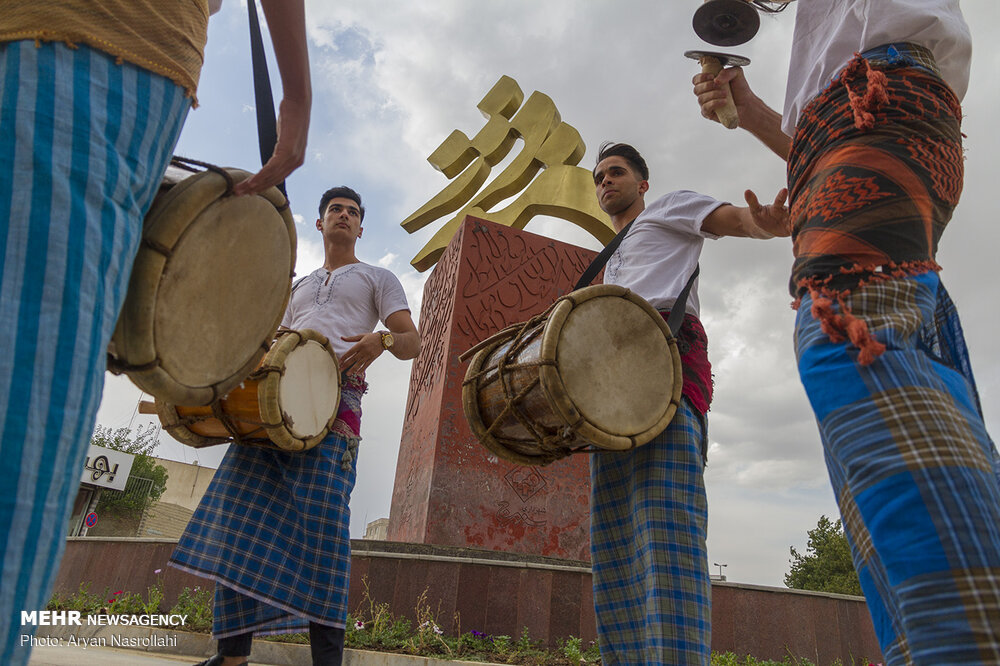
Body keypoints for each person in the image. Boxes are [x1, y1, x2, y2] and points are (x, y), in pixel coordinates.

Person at [0, 2, 310, 663]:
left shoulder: (375, 279)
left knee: (27, 367)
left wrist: (369, 346)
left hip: (93, 41)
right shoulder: (306, 285)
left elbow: (402, 339)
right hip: (104, 50)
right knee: (32, 372)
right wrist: (297, 97)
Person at [692, 2, 1000, 663]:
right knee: (871, 402)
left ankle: (969, 642)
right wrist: (750, 110)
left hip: (884, 92)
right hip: (847, 127)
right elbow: (812, 142)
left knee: (846, 336)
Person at [169, 186, 420, 666]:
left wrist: (382, 339)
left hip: (336, 407)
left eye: (352, 212)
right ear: (320, 223)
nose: (343, 216)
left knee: (324, 535)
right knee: (239, 526)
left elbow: (413, 340)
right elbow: (271, 344)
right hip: (272, 407)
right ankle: (232, 658)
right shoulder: (299, 286)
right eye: (335, 210)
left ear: (361, 228)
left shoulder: (378, 277)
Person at [589, 142, 788, 665]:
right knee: (614, 548)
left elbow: (735, 220)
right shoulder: (611, 259)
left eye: (616, 172)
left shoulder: (669, 207)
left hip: (666, 372)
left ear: (642, 183)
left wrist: (766, 222)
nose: (605, 181)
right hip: (609, 392)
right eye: (599, 177)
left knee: (669, 535)